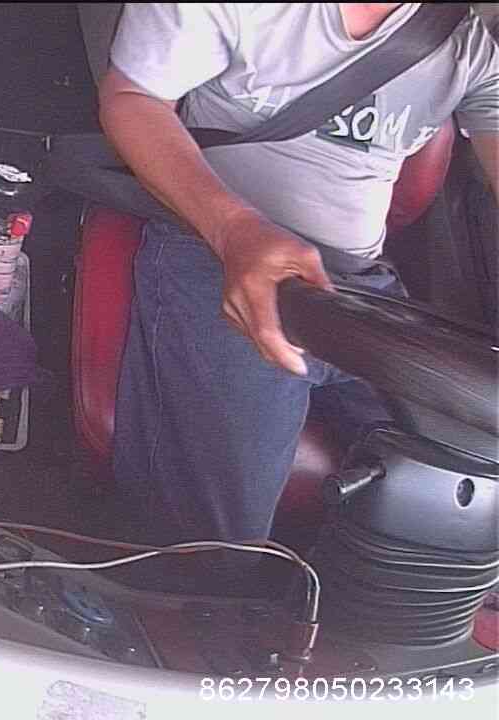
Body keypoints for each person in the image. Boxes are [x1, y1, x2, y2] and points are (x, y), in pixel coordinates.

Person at [99, 4, 499, 552]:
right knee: (213, 546)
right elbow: (133, 99)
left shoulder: (466, 41)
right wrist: (234, 231)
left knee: (462, 485)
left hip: (362, 289)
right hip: (218, 254)